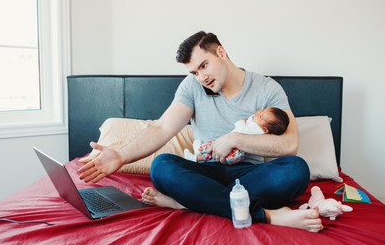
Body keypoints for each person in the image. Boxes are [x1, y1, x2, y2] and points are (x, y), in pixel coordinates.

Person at [78, 31, 323, 232]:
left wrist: (234, 138)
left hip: (251, 174)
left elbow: (289, 145)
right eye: (194, 72)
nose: (201, 77)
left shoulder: (268, 89)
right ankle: (267, 215)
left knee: (296, 168)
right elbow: (163, 127)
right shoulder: (192, 87)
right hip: (206, 172)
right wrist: (120, 156)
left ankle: (186, 202)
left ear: (221, 52)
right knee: (162, 166)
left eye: (204, 66)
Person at [184, 107, 289, 165]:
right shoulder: (260, 127)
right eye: (263, 110)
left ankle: (198, 150)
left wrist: (241, 122)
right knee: (213, 153)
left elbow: (242, 130)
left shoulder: (256, 128)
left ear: (265, 129)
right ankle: (196, 158)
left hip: (234, 152)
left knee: (213, 146)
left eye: (261, 115)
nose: (258, 112)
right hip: (235, 156)